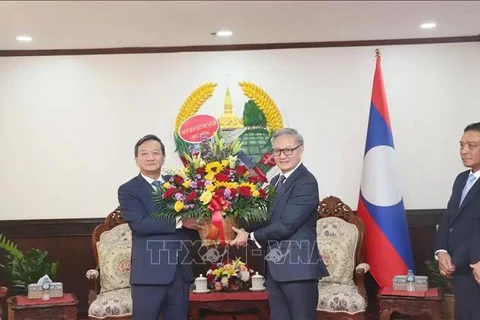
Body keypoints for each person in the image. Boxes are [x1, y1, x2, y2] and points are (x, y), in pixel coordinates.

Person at [229, 128, 328, 320]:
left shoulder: (306, 182)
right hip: (275, 268)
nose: (282, 156)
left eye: (288, 150)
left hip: (298, 270)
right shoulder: (275, 181)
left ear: (300, 150)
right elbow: (266, 218)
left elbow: (286, 225)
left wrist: (250, 236)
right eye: (277, 151)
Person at [118, 134, 200, 320]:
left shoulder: (179, 183)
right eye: (144, 153)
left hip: (180, 271)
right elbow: (140, 224)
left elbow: (195, 216)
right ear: (136, 159)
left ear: (163, 157)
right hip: (149, 274)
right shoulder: (128, 190)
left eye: (156, 153)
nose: (150, 157)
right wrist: (180, 221)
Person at [434, 122, 480, 320]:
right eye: (461, 145)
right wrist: (441, 251)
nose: (464, 151)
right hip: (461, 271)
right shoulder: (461, 179)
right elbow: (449, 218)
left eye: (471, 145)